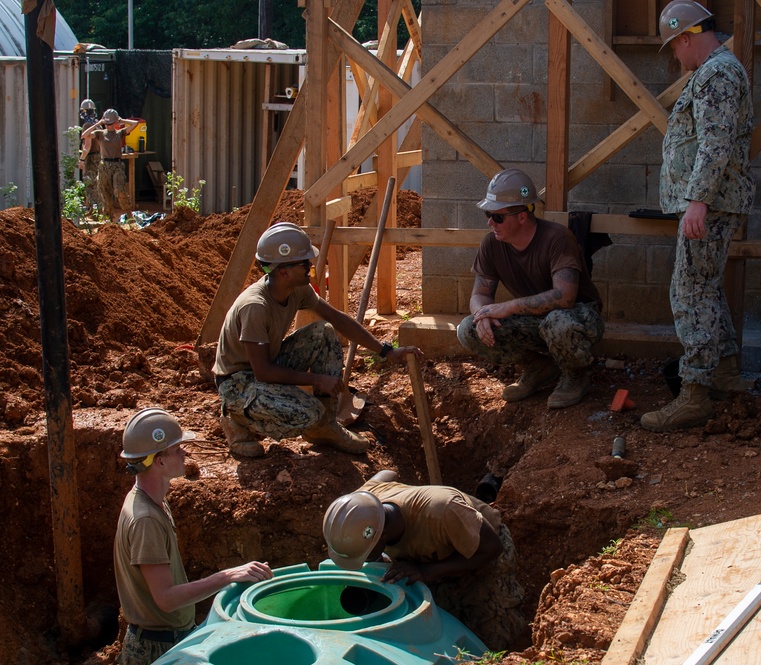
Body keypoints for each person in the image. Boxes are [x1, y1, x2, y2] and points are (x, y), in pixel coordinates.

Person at [640, 0, 755, 433]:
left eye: (674, 47)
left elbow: (715, 142)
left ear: (687, 38)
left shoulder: (717, 73)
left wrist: (698, 201)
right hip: (712, 201)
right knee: (705, 289)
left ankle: (694, 395)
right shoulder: (715, 72)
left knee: (689, 294)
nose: (675, 56)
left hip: (711, 203)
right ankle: (724, 375)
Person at [212, 221, 422, 458]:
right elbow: (263, 372)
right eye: (304, 263)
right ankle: (238, 419)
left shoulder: (296, 288)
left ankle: (325, 426)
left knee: (324, 331)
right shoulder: (255, 307)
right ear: (284, 271)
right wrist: (317, 379)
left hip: (267, 364)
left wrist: (385, 350)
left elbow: (337, 319)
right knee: (308, 412)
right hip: (238, 382)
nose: (310, 266)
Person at [114, 408, 272, 664]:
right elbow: (166, 599)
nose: (184, 453)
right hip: (156, 648)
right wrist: (227, 576)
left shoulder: (151, 502)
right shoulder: (146, 520)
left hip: (164, 638)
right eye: (177, 449)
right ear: (159, 461)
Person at [323, 470, 527, 651]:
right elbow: (387, 473)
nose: (366, 560)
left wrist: (427, 572)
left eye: (366, 554)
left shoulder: (441, 510)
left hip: (481, 548)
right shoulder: (363, 504)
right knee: (436, 616)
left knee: (492, 634)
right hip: (430, 553)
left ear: (382, 533)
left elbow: (493, 549)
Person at [456, 168, 605, 409]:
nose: (490, 222)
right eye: (488, 214)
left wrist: (508, 307)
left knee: (558, 322)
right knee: (467, 330)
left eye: (498, 217)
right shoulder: (491, 244)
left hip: (578, 317)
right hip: (535, 320)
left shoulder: (557, 238)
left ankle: (575, 377)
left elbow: (565, 297)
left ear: (522, 216)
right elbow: (480, 294)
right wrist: (481, 315)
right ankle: (538, 369)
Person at [81, 108, 138, 218]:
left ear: (115, 123)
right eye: (106, 124)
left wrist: (122, 120)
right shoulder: (100, 134)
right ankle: (109, 218)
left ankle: (129, 214)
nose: (108, 126)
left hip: (117, 165)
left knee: (120, 190)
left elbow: (135, 124)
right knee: (105, 192)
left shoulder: (119, 133)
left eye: (110, 124)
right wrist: (98, 123)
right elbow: (85, 135)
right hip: (104, 165)